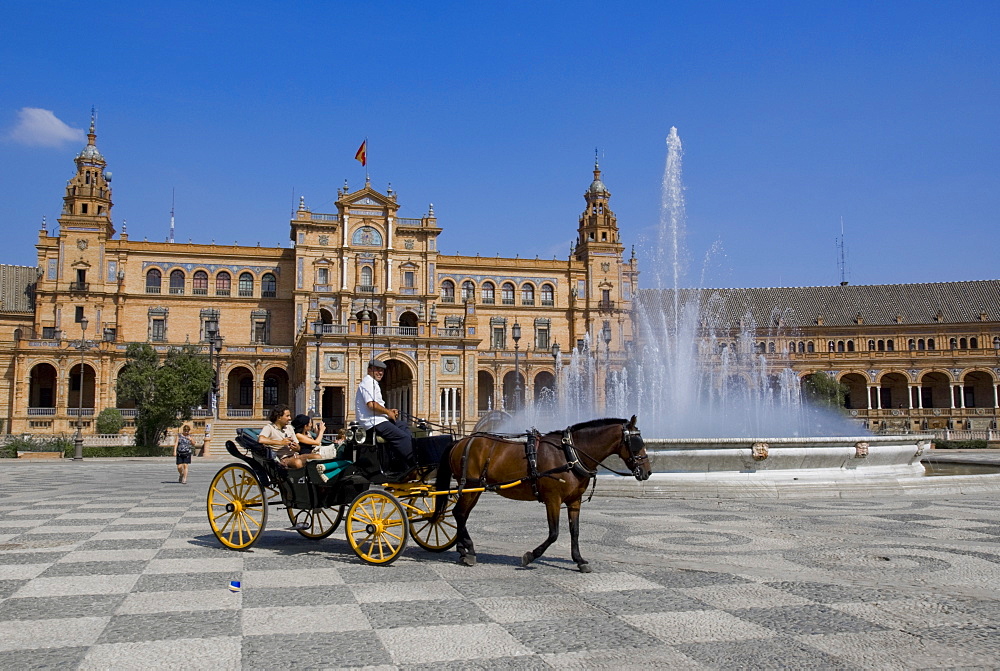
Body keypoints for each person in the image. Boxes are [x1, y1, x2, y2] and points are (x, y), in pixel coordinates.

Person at [355, 359, 415, 471]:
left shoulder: (373, 383)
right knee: (402, 437)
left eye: (382, 370)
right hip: (373, 423)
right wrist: (388, 412)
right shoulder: (368, 382)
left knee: (403, 426)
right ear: (369, 370)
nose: (380, 373)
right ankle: (414, 463)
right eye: (377, 370)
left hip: (380, 420)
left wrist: (389, 411)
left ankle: (401, 464)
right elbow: (371, 405)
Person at [258, 405, 321, 469]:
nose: (290, 418)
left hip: (295, 455)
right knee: (297, 463)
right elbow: (261, 439)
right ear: (279, 417)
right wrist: (281, 442)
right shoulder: (269, 428)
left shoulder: (289, 427)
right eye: (287, 416)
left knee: (317, 457)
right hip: (283, 458)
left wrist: (296, 447)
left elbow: (298, 448)